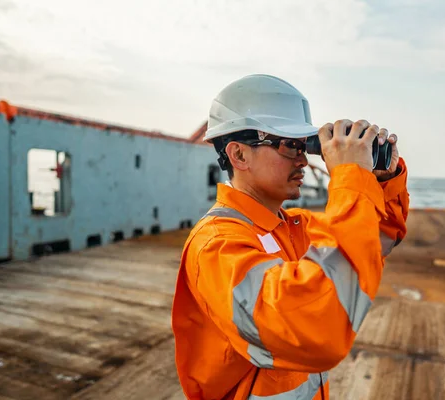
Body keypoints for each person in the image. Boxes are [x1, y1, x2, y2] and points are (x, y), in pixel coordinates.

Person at [172, 74, 409, 399]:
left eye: (305, 146)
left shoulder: (294, 226)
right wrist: (350, 179)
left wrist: (380, 182)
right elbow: (313, 328)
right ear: (239, 155)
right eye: (288, 145)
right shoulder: (216, 245)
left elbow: (376, 239)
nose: (302, 159)